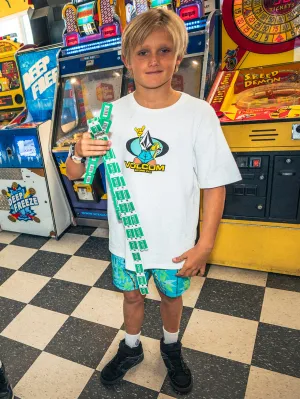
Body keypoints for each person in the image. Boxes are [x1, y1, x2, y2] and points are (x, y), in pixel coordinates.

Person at [66, 8, 241, 394]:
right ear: (127, 60)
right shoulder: (108, 115)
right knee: (131, 295)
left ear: (178, 56)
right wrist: (78, 151)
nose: (154, 60)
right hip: (125, 241)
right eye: (142, 52)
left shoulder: (199, 114)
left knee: (169, 297)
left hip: (176, 243)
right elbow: (76, 174)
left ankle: (171, 345)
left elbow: (215, 185)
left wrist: (205, 244)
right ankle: (130, 348)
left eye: (164, 51)